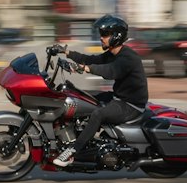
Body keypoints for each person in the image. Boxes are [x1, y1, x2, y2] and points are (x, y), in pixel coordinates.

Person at [52, 14, 148, 168]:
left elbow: (111, 71)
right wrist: (66, 52)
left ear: (116, 36)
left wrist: (84, 68)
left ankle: (72, 152)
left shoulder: (128, 57)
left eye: (104, 34)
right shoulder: (113, 54)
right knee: (82, 96)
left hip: (131, 105)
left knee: (98, 114)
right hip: (119, 98)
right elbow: (91, 59)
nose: (101, 38)